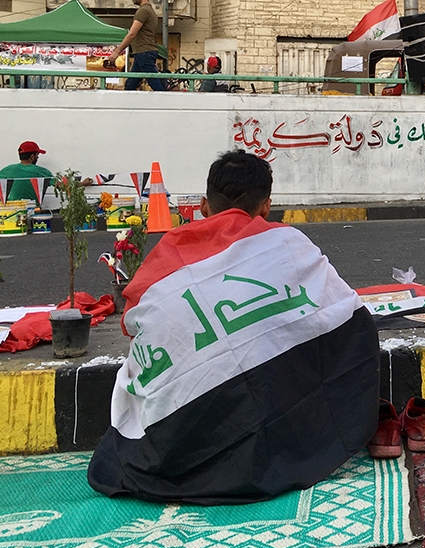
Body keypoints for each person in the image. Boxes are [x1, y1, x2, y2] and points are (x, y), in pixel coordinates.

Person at [87, 149, 380, 505]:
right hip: (272, 411)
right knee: (352, 327)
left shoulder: (167, 255)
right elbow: (343, 312)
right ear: (266, 207)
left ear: (203, 207)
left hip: (179, 441)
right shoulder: (288, 244)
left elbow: (136, 323)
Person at [107, 0, 166, 92]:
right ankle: (128, 100)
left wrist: (117, 52)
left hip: (144, 52)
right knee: (130, 84)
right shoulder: (151, 12)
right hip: (145, 52)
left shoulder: (143, 11)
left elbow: (132, 34)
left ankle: (167, 100)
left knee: (154, 83)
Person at [0, 141, 53, 207]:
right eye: (37, 155)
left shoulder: (7, 170)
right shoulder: (41, 171)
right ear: (32, 157)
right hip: (33, 209)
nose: (38, 157)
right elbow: (60, 185)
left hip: (10, 209)